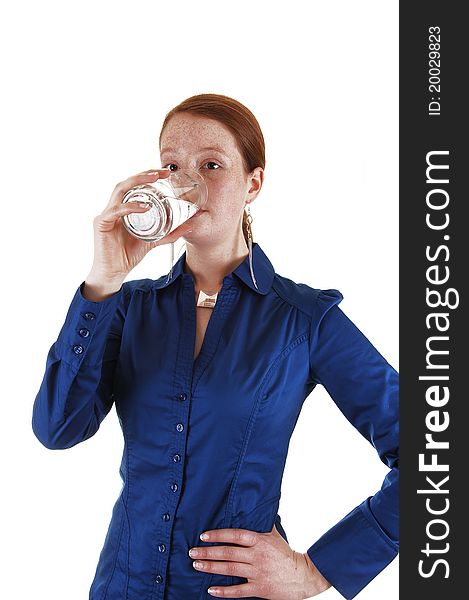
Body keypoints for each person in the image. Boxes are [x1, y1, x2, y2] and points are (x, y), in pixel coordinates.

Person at [32, 93, 399, 600]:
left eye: (212, 165)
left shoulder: (305, 319)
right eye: (173, 165)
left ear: (253, 183)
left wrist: (317, 570)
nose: (190, 182)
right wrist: (103, 280)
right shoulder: (126, 306)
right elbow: (57, 428)